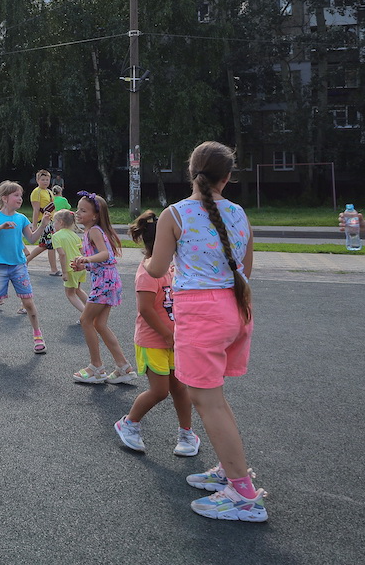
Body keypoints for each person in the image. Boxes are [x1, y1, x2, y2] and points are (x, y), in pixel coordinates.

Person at [147, 141, 266, 522]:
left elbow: (156, 269)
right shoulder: (238, 213)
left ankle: (244, 496)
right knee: (214, 397)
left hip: (201, 313)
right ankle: (233, 471)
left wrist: (148, 257)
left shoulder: (175, 214)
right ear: (226, 178)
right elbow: (245, 267)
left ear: (191, 171)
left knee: (208, 401)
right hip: (235, 308)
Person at [113, 210, 200, 457]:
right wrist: (166, 334)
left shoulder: (171, 269)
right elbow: (146, 310)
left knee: (181, 389)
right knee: (160, 391)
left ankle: (186, 433)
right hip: (153, 341)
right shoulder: (148, 273)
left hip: (173, 340)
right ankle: (128, 423)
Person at [0, 180, 52, 354]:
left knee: (28, 303)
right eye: (16, 195)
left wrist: (43, 225)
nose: (20, 199)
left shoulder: (21, 218)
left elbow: (31, 239)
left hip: (18, 267)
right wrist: (0, 227)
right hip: (0, 267)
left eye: (21, 196)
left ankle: (38, 336)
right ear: (5, 198)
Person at [69, 191, 134, 385]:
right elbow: (101, 260)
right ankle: (123, 367)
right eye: (77, 209)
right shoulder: (92, 231)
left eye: (83, 210)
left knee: (85, 320)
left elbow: (105, 255)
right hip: (108, 280)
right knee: (99, 324)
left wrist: (86, 259)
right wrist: (85, 265)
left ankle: (96, 367)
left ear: (95, 215)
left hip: (105, 282)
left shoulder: (94, 231)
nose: (77, 213)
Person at [50, 209, 87, 316]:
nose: (54, 225)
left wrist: (64, 272)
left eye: (54, 222)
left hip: (70, 268)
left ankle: (87, 315)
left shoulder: (56, 236)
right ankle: (92, 309)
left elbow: (62, 254)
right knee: (78, 290)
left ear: (61, 222)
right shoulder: (74, 235)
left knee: (70, 294)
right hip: (79, 267)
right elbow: (81, 251)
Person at [27, 169, 61, 276]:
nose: (45, 182)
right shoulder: (36, 192)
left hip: (50, 221)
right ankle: (54, 269)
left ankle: (25, 262)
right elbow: (36, 209)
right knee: (50, 244)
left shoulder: (49, 191)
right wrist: (34, 225)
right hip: (43, 222)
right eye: (43, 180)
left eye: (47, 179)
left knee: (45, 245)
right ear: (37, 180)